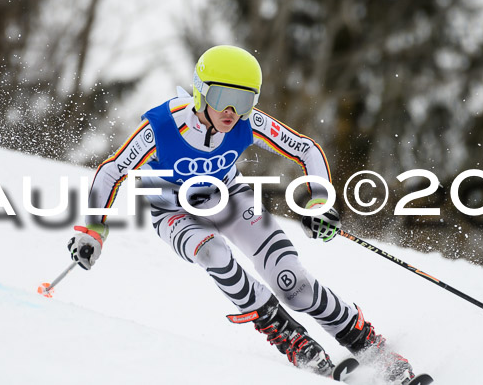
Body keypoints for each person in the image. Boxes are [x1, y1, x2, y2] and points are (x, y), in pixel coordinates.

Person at [67, 45, 415, 383]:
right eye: (221, 98)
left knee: (292, 284)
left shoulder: (248, 122)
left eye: (244, 100)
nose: (231, 111)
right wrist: (93, 230)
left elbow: (306, 149)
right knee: (212, 252)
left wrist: (318, 202)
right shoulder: (163, 125)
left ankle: (371, 347)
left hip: (230, 197)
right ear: (201, 92)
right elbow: (112, 171)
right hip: (172, 210)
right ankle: (283, 331)